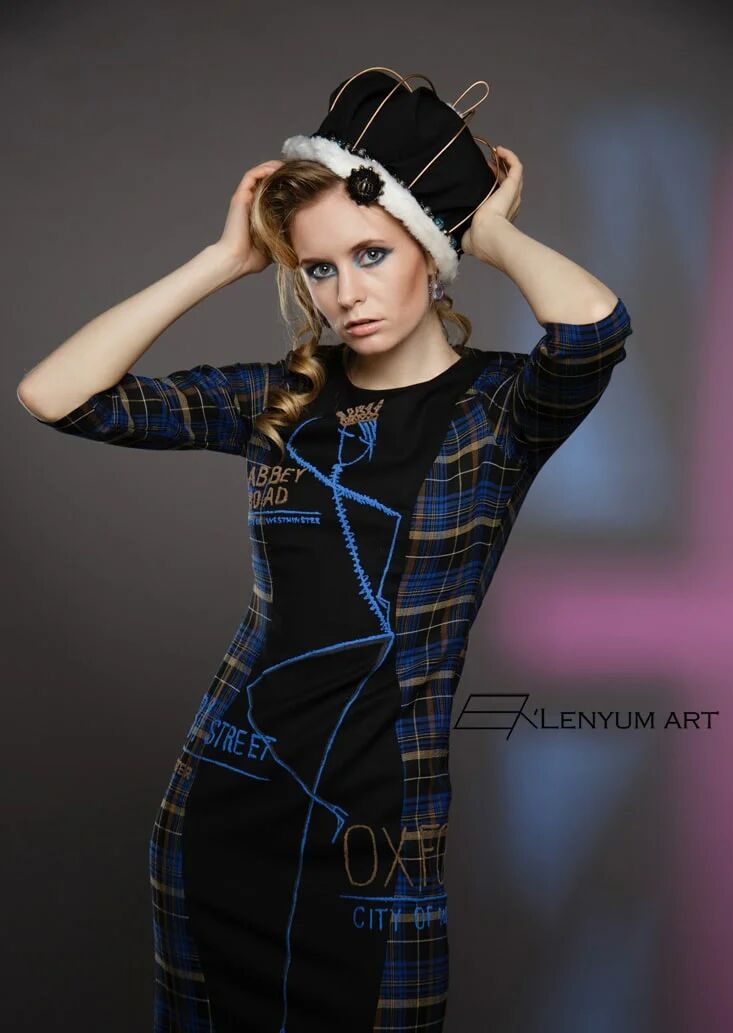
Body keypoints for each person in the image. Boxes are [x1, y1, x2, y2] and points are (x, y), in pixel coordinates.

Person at [17, 67, 633, 1033]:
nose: (347, 293)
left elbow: (593, 330)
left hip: (378, 834)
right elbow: (57, 396)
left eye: (373, 253)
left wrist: (491, 232)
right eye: (318, 268)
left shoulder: (498, 410)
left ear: (431, 253)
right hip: (225, 810)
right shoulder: (283, 399)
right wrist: (220, 261)